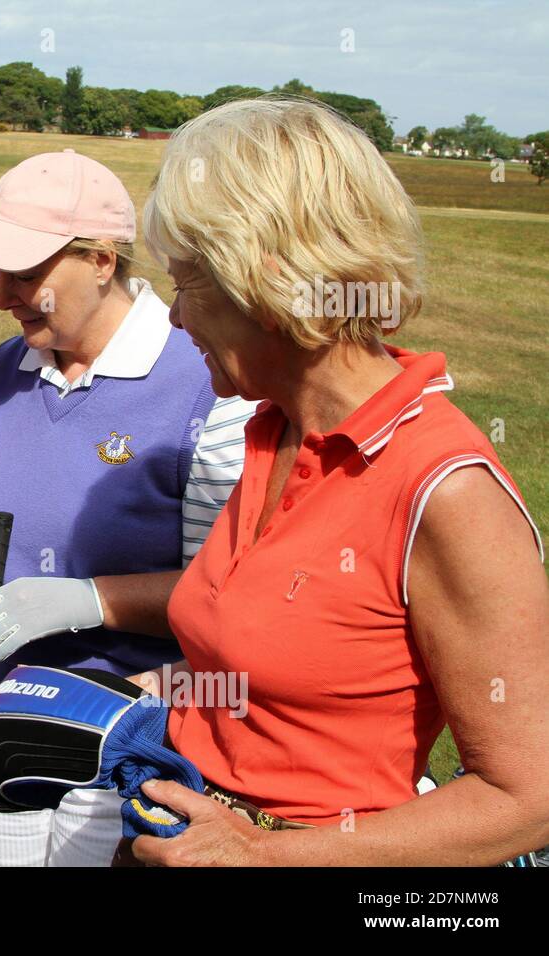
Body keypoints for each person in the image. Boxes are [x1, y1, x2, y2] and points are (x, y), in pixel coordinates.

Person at [120, 96, 549, 865]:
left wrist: (258, 855)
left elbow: (527, 800)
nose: (176, 317)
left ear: (270, 277)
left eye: (187, 283)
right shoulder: (271, 428)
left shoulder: (445, 490)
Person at [0, 149, 255, 866]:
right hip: (1, 702)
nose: (2, 298)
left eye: (25, 276)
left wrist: (86, 600)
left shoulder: (202, 381)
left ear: (103, 260)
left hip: (125, 722)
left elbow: (233, 586)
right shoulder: (5, 368)